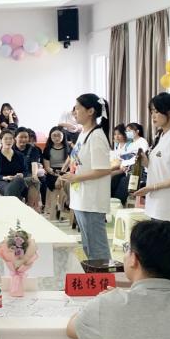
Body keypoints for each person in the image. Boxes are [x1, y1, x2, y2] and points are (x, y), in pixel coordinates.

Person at [59, 95, 113, 262]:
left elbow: (103, 170)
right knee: (88, 246)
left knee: (96, 247)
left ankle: (104, 276)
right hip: (81, 196)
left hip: (92, 199)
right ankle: (95, 275)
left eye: (77, 108)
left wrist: (76, 177)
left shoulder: (97, 136)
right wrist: (67, 168)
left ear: (90, 111)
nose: (73, 112)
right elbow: (77, 156)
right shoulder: (84, 133)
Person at [133, 93, 170, 224]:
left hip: (169, 206)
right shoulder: (162, 136)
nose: (153, 116)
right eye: (151, 112)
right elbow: (163, 167)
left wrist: (151, 187)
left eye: (157, 111)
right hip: (158, 203)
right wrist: (145, 162)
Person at [110, 122, 150, 207]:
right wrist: (123, 164)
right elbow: (124, 157)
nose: (127, 133)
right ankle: (112, 202)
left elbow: (138, 157)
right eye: (126, 131)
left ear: (137, 131)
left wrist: (124, 163)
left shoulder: (142, 141)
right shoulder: (131, 144)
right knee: (115, 179)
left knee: (124, 181)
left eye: (129, 131)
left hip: (140, 171)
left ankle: (118, 204)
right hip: (128, 169)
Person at [0, 130, 32, 200]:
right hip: (1, 181)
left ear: (14, 140)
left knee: (19, 181)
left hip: (17, 180)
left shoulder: (20, 155)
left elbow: (25, 171)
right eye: (6, 139)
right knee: (11, 188)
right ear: (0, 140)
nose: (8, 141)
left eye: (11, 138)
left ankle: (10, 201)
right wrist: (4, 177)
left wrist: (22, 174)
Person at [42, 127, 70, 219]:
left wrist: (61, 175)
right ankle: (53, 212)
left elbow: (69, 165)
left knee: (65, 182)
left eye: (59, 135)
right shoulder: (47, 149)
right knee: (54, 183)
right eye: (54, 135)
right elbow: (47, 167)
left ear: (63, 136)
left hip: (65, 172)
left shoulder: (68, 148)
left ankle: (63, 209)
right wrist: (55, 174)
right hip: (52, 173)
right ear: (50, 136)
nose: (56, 138)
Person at [14, 128, 44, 209]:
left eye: (26, 137)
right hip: (13, 175)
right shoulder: (11, 148)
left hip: (27, 175)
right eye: (21, 137)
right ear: (15, 137)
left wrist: (34, 175)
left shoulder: (33, 149)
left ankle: (32, 207)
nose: (23, 139)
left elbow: (34, 163)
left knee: (34, 181)